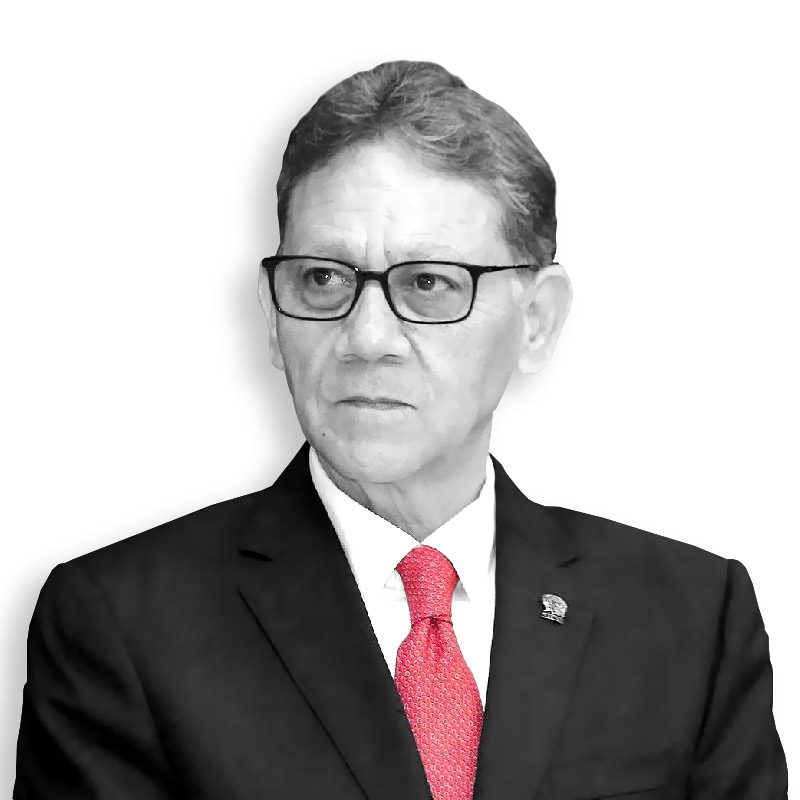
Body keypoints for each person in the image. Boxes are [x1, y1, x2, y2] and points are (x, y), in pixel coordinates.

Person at [14, 60, 787, 800]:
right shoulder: (123, 624)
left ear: (538, 321)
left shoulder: (690, 618)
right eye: (323, 279)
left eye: (429, 283)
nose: (367, 337)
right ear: (273, 317)